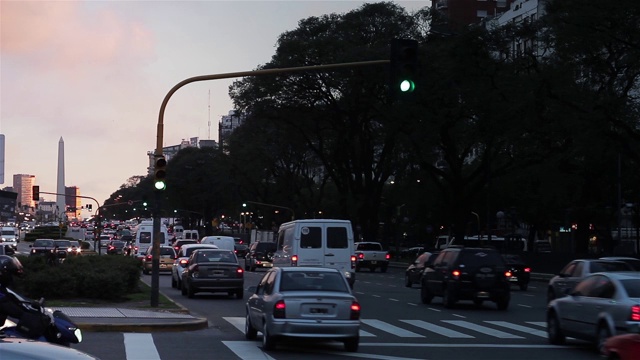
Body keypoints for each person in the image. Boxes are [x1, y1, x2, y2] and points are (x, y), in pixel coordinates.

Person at [0, 255, 25, 336]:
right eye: (10, 275)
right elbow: (8, 306)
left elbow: (13, 299)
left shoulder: (3, 289)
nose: (12, 278)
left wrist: (29, 305)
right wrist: (24, 314)